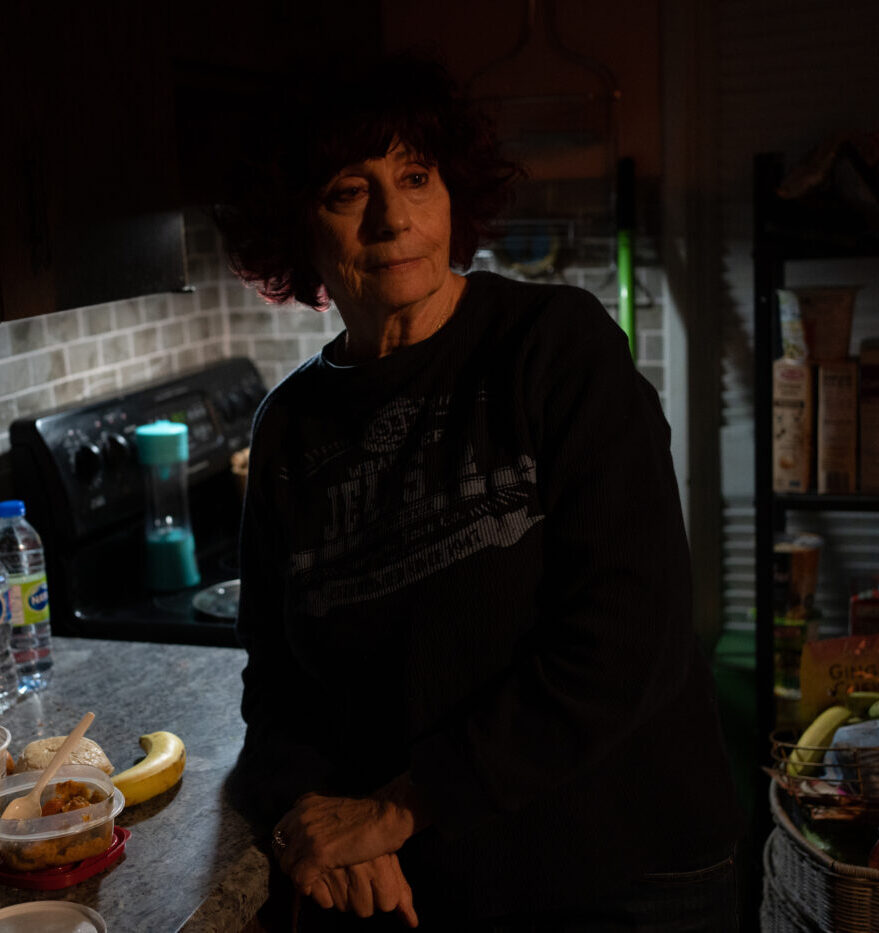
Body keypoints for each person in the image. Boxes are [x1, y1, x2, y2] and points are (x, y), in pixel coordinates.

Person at [217, 54, 743, 931]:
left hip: (629, 881)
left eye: (415, 177)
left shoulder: (557, 349)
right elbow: (276, 688)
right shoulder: (287, 430)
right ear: (297, 229)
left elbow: (629, 639)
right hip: (434, 890)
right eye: (351, 191)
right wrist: (304, 812)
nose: (393, 219)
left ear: (452, 192)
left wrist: (393, 809)